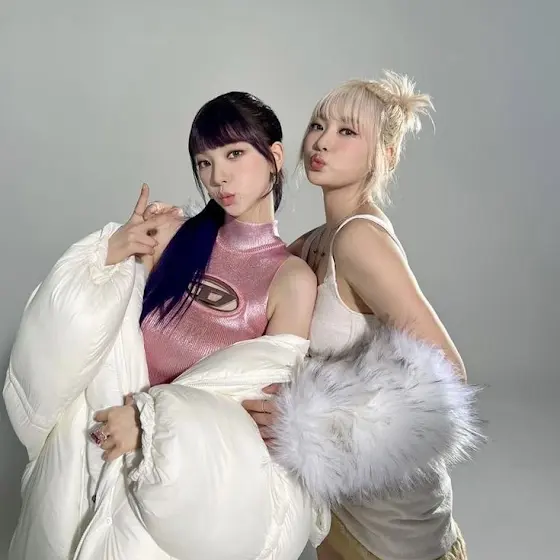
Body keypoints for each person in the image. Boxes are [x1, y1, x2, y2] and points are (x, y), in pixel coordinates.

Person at [3, 92, 327, 560]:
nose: (218, 177)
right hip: (93, 454)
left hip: (175, 491)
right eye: (204, 162)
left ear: (275, 157)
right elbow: (87, 338)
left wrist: (151, 424)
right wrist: (108, 255)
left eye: (235, 154)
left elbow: (252, 414)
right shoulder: (173, 237)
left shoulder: (291, 281)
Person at [242, 71, 479, 560]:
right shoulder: (317, 240)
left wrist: (304, 417)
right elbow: (242, 284)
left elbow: (449, 374)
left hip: (393, 530)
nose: (322, 141)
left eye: (347, 131)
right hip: (337, 510)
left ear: (384, 156)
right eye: (318, 125)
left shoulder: (359, 239)